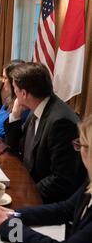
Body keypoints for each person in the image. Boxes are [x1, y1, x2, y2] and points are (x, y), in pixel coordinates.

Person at [0, 115, 92, 243]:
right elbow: (65, 209)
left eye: (80, 144)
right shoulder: (90, 182)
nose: (80, 151)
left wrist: (7, 226)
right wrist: (14, 214)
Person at [5, 62, 86, 203]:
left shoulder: (60, 122)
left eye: (15, 89)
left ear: (23, 93)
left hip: (47, 202)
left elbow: (61, 180)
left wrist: (23, 194)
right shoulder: (37, 108)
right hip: (27, 184)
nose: (14, 94)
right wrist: (15, 116)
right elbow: (15, 147)